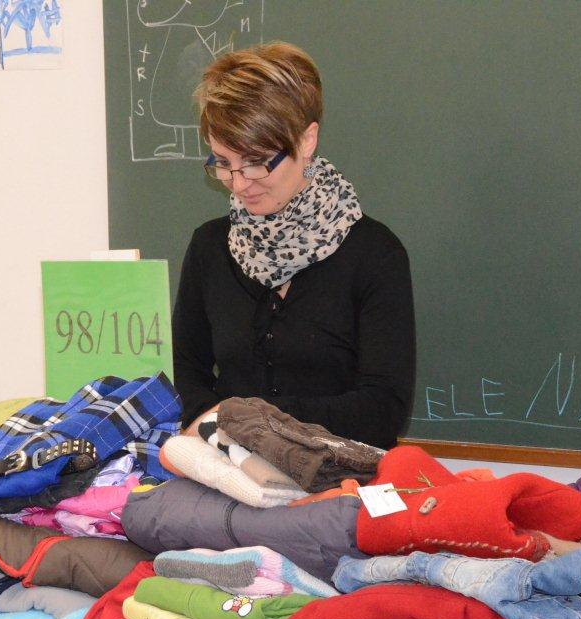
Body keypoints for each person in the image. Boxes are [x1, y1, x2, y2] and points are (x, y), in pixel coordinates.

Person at [172, 42, 415, 450]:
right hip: (230, 465)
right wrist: (219, 427)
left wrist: (251, 421)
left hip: (340, 474)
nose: (238, 182)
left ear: (306, 141)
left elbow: (383, 408)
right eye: (223, 162)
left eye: (256, 162)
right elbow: (187, 370)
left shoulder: (375, 254)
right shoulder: (209, 248)